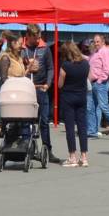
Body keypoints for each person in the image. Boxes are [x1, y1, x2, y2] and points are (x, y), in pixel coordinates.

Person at [56, 41, 91, 167]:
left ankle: (72, 157)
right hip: (82, 96)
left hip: (68, 97)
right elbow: (89, 77)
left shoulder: (65, 65)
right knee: (82, 127)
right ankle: (84, 157)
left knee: (70, 127)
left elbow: (60, 84)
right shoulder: (86, 63)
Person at [23, 28, 56, 163]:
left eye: (39, 37)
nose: (38, 40)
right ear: (28, 36)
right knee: (26, 120)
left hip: (41, 88)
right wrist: (27, 68)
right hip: (25, 89)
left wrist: (48, 83)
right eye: (35, 37)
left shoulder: (45, 49)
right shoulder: (21, 49)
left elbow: (50, 68)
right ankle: (26, 147)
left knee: (44, 121)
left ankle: (48, 149)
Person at [87, 34, 109, 134]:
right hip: (93, 83)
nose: (96, 43)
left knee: (104, 107)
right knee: (92, 107)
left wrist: (99, 81)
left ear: (102, 42)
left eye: (98, 41)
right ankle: (92, 130)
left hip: (100, 83)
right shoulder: (96, 52)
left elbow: (107, 68)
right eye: (94, 41)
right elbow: (90, 62)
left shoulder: (104, 51)